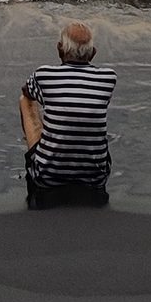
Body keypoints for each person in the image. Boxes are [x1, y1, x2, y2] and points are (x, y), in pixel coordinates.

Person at [19, 19, 115, 205]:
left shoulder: (43, 74)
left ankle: (35, 145)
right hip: (95, 179)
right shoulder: (108, 77)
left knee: (25, 100)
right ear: (93, 53)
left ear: (59, 49)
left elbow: (26, 92)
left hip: (47, 177)